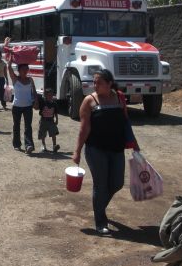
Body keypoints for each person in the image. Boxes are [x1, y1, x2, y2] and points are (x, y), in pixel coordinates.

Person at [72, 69, 139, 234]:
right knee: (100, 186)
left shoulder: (118, 97)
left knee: (117, 183)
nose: (95, 85)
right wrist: (77, 151)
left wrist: (134, 143)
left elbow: (125, 122)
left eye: (98, 82)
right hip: (96, 150)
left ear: (109, 83)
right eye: (94, 82)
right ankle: (100, 221)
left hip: (116, 149)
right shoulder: (89, 101)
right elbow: (84, 129)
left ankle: (100, 208)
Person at [7, 60, 37, 154]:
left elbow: (34, 92)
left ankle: (29, 145)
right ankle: (17, 144)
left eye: (26, 69)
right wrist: (10, 61)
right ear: (19, 70)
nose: (25, 71)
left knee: (28, 126)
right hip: (16, 107)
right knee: (16, 125)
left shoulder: (30, 80)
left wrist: (36, 101)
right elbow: (9, 68)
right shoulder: (15, 79)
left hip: (28, 107)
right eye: (22, 69)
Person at [35, 88, 60, 152]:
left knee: (53, 133)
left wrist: (57, 120)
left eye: (51, 95)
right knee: (43, 134)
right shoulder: (43, 103)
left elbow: (56, 112)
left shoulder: (54, 104)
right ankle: (43, 145)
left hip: (51, 121)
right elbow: (37, 103)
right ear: (45, 96)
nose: (50, 97)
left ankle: (54, 146)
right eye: (48, 95)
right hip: (43, 120)